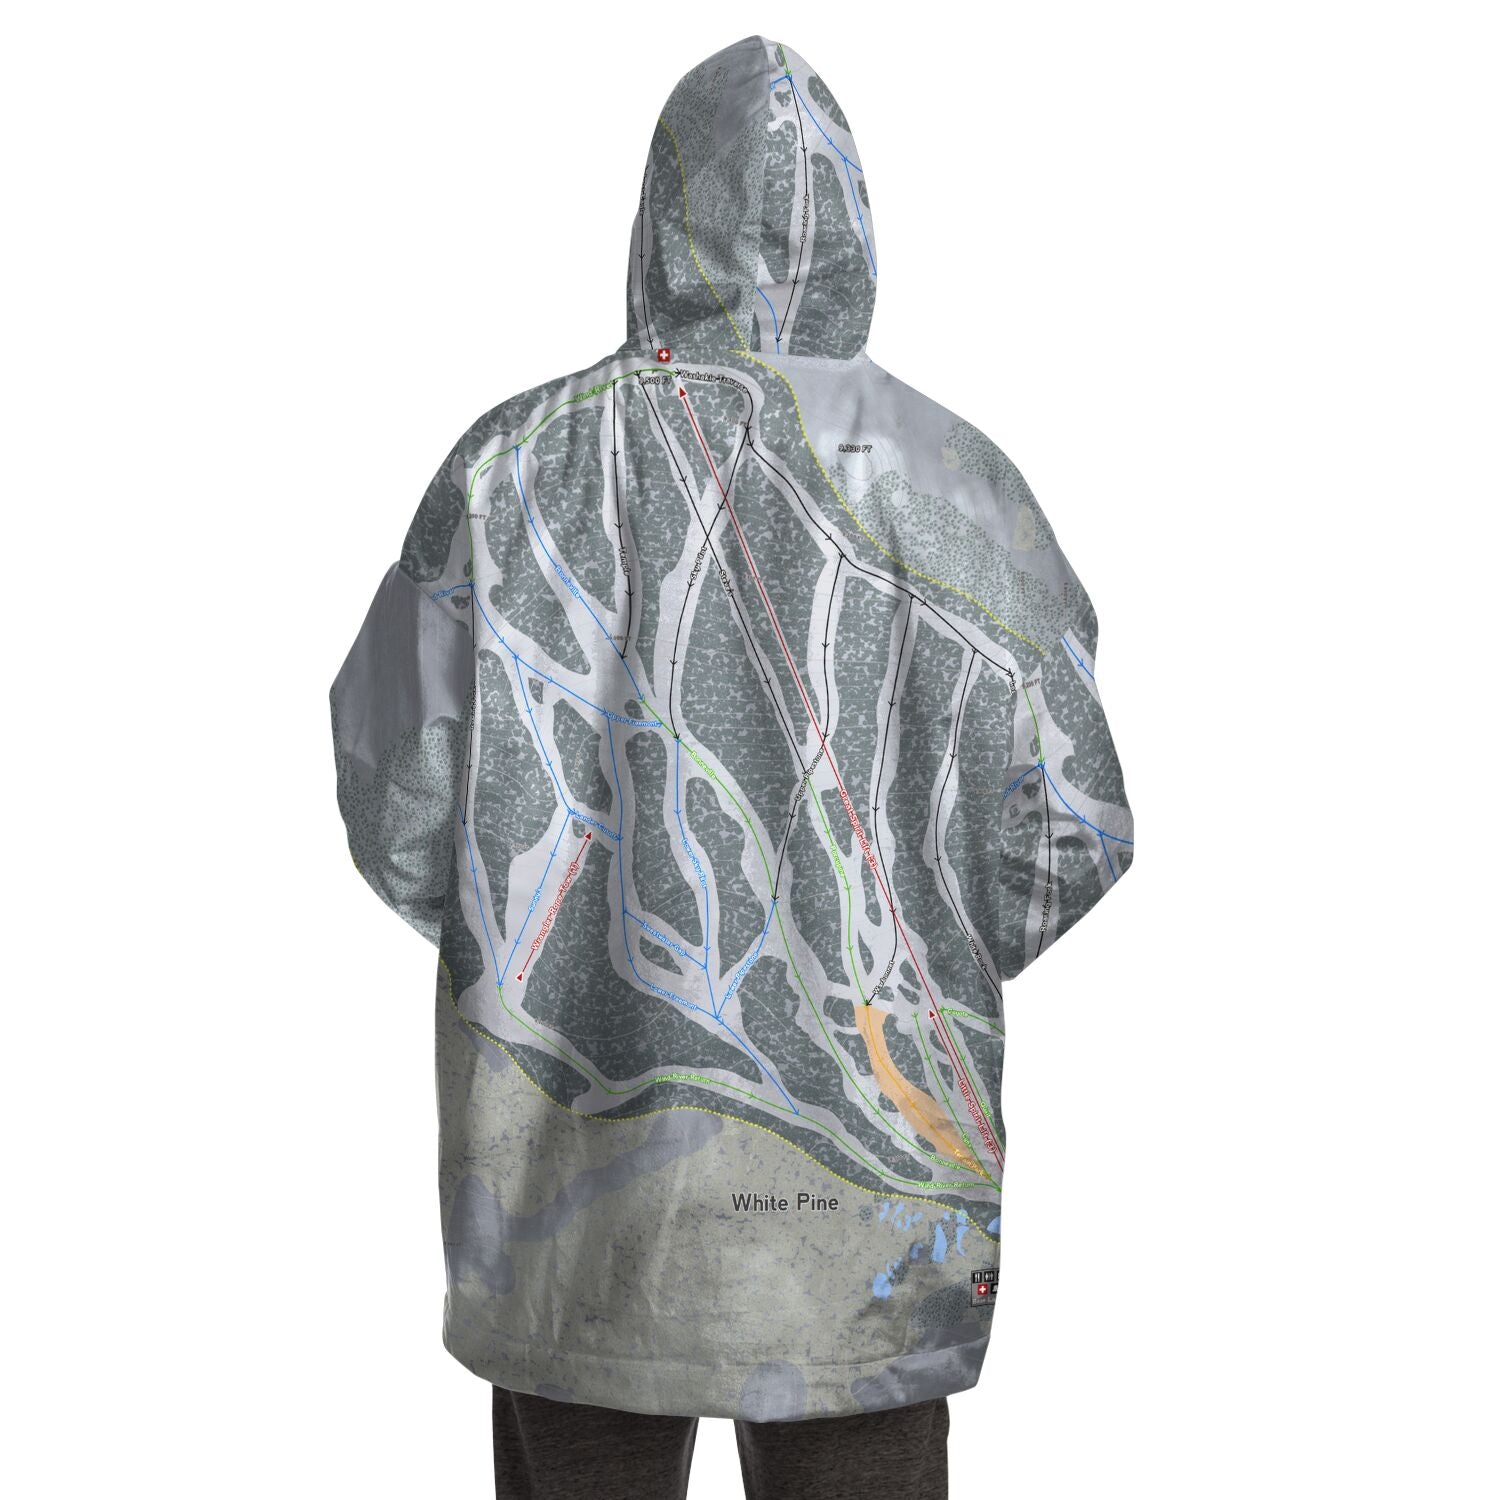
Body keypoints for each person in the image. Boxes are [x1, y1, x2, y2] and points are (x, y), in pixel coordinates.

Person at [331, 34, 1133, 1499]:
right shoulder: (967, 492)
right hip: (875, 1205)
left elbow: (396, 804)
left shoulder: (508, 468)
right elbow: (1072, 830)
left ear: (660, 214)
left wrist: (538, 951)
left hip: (568, 1190)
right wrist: (923, 953)